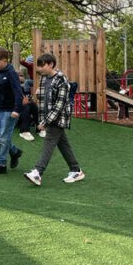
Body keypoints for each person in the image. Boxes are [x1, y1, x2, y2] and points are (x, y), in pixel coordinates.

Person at [24, 52, 84, 186]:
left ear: (51, 64)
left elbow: (60, 104)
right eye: (38, 66)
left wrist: (45, 122)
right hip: (48, 116)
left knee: (49, 142)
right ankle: (76, 170)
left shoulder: (62, 79)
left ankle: (38, 172)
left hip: (59, 117)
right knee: (63, 144)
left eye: (42, 65)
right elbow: (44, 101)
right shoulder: (44, 78)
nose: (39, 68)